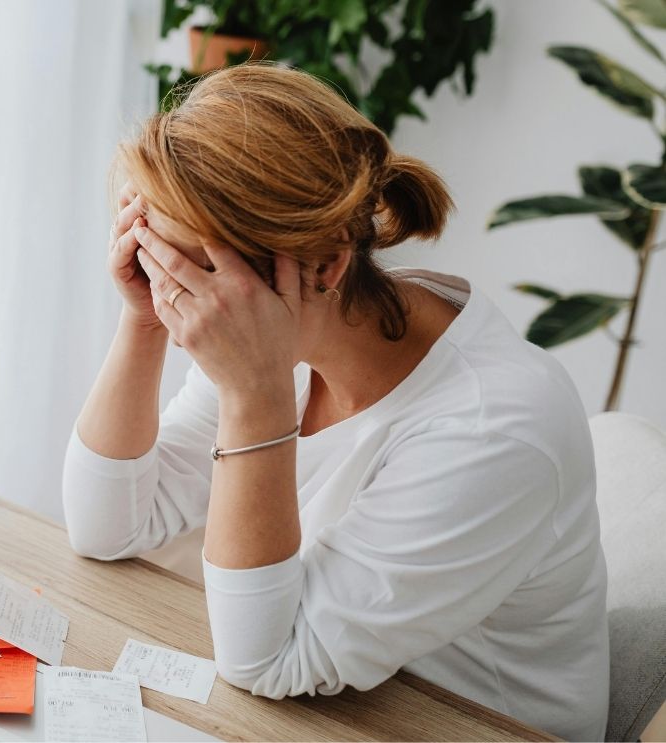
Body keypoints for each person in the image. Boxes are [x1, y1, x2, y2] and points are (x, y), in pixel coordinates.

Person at [62, 63, 608, 741]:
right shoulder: (284, 325)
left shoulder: (492, 427)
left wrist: (254, 395)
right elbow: (107, 526)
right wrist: (141, 319)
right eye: (151, 260)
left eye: (186, 272)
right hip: (330, 704)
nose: (181, 303)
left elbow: (265, 659)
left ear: (323, 265)